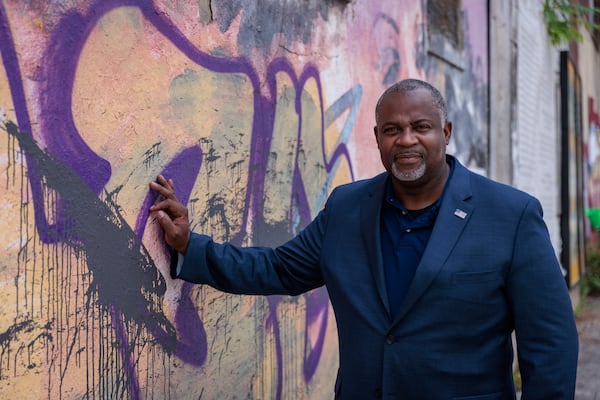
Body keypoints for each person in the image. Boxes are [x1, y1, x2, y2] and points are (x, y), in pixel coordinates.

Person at [149, 78, 578, 399]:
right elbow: (279, 269)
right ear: (377, 138)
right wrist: (190, 245)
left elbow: (550, 342)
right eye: (392, 129)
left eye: (421, 127)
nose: (406, 140)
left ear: (445, 133)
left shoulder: (511, 215)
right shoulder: (347, 208)